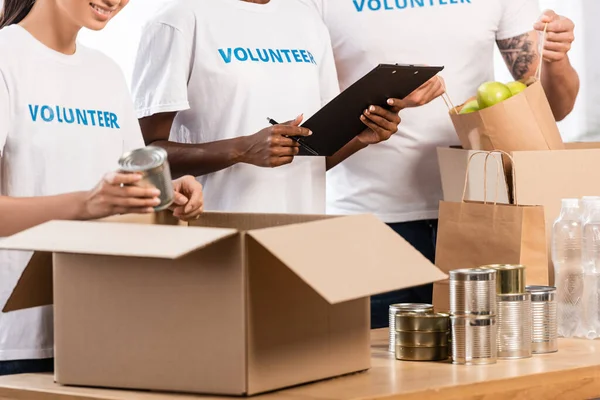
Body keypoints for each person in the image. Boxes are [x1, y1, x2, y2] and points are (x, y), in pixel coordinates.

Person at [301, 0, 580, 328]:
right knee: (379, 368)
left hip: (481, 212)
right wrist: (390, 93)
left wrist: (556, 59)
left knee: (486, 360)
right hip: (371, 220)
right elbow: (308, 118)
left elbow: (552, 110)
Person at [0, 0, 205, 376]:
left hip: (98, 323)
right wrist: (88, 203)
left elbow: (124, 190)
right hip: (15, 337)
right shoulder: (6, 58)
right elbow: (95, 200)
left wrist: (165, 193)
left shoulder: (106, 72)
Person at [130, 0, 424, 215]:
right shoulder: (179, 18)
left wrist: (360, 138)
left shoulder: (306, 19)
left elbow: (311, 157)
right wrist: (242, 149)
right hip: (213, 230)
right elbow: (143, 157)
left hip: (302, 231)